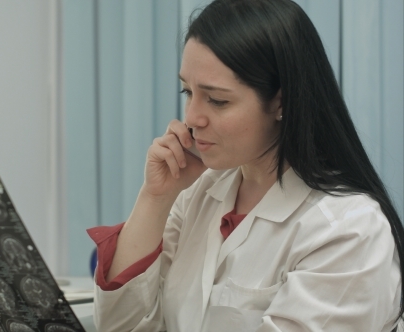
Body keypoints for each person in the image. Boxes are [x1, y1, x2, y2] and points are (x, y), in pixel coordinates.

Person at [86, 0, 404, 331]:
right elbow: (121, 326)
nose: (192, 118)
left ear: (280, 101)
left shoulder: (347, 230)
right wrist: (155, 198)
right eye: (187, 91)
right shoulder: (200, 193)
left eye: (217, 100)